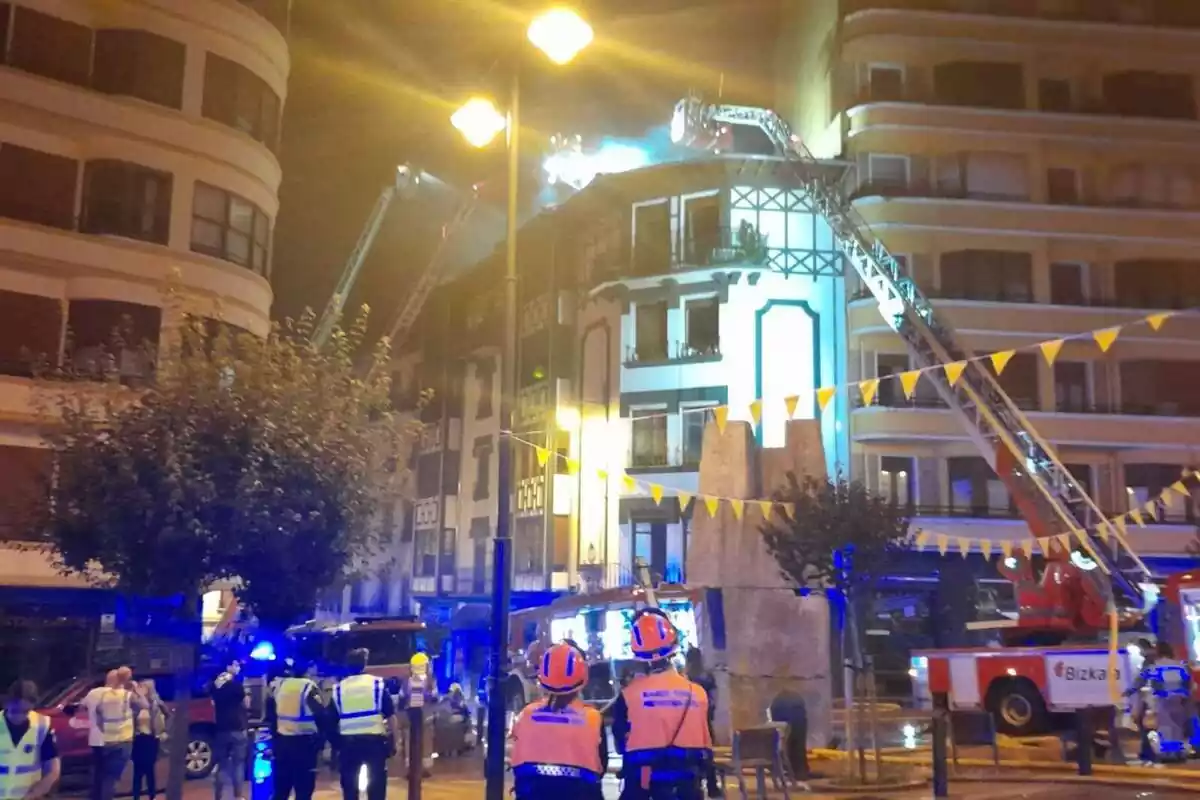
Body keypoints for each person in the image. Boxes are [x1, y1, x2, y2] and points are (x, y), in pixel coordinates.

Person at [612, 608, 712, 800]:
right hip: (687, 787)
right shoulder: (698, 693)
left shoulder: (628, 695)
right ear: (674, 647)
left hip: (642, 787)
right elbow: (706, 746)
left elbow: (619, 744)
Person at [510, 641, 606, 800]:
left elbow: (517, 761)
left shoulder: (526, 714)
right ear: (582, 676)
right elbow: (601, 765)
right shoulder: (592, 718)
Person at [331, 649, 395, 800]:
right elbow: (391, 716)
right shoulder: (377, 684)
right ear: (365, 664)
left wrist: (336, 746)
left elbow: (331, 720)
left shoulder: (338, 689)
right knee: (377, 787)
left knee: (349, 788)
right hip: (374, 743)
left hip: (348, 744)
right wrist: (394, 741)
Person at [266, 660, 327, 800]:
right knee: (303, 790)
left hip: (282, 743)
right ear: (308, 671)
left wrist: (275, 739)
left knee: (281, 790)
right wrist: (320, 742)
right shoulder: (308, 687)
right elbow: (321, 716)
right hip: (304, 745)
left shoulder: (280, 685)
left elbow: (271, 715)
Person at [85, 667, 139, 800]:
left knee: (99, 777)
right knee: (110, 779)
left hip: (97, 742)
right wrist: (136, 689)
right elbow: (142, 705)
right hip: (119, 741)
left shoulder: (93, 693)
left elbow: (81, 706)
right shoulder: (124, 694)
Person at [1, 680, 60, 800]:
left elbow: (53, 770)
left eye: (25, 712)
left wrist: (35, 794)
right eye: (15, 711)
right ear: (7, 703)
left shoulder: (42, 726)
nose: (19, 717)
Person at [684, 648, 721, 799]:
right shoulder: (708, 677)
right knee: (707, 754)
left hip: (690, 722)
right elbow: (713, 700)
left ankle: (695, 785)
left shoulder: (686, 679)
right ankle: (712, 787)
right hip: (705, 721)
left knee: (691, 755)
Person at [211, 659, 249, 800]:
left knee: (222, 764)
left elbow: (213, 702)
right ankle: (238, 796)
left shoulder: (215, 685)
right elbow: (246, 704)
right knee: (238, 764)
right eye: (236, 665)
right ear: (229, 667)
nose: (238, 668)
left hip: (221, 727)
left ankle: (218, 796)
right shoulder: (236, 685)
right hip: (237, 727)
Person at [131, 679, 166, 800]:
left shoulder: (154, 704)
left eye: (143, 687)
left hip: (151, 739)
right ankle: (136, 796)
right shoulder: (135, 703)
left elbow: (161, 714)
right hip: (138, 739)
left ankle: (152, 795)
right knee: (137, 770)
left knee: (149, 769)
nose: (140, 688)